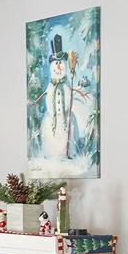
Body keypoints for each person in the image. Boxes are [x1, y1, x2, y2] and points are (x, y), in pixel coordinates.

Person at [36, 33, 95, 166]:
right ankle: (52, 154)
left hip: (65, 118)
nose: (59, 67)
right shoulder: (50, 87)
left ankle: (67, 153)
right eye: (56, 64)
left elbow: (68, 98)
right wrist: (53, 113)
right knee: (51, 133)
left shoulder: (66, 85)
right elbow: (48, 100)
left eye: (61, 64)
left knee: (68, 130)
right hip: (53, 119)